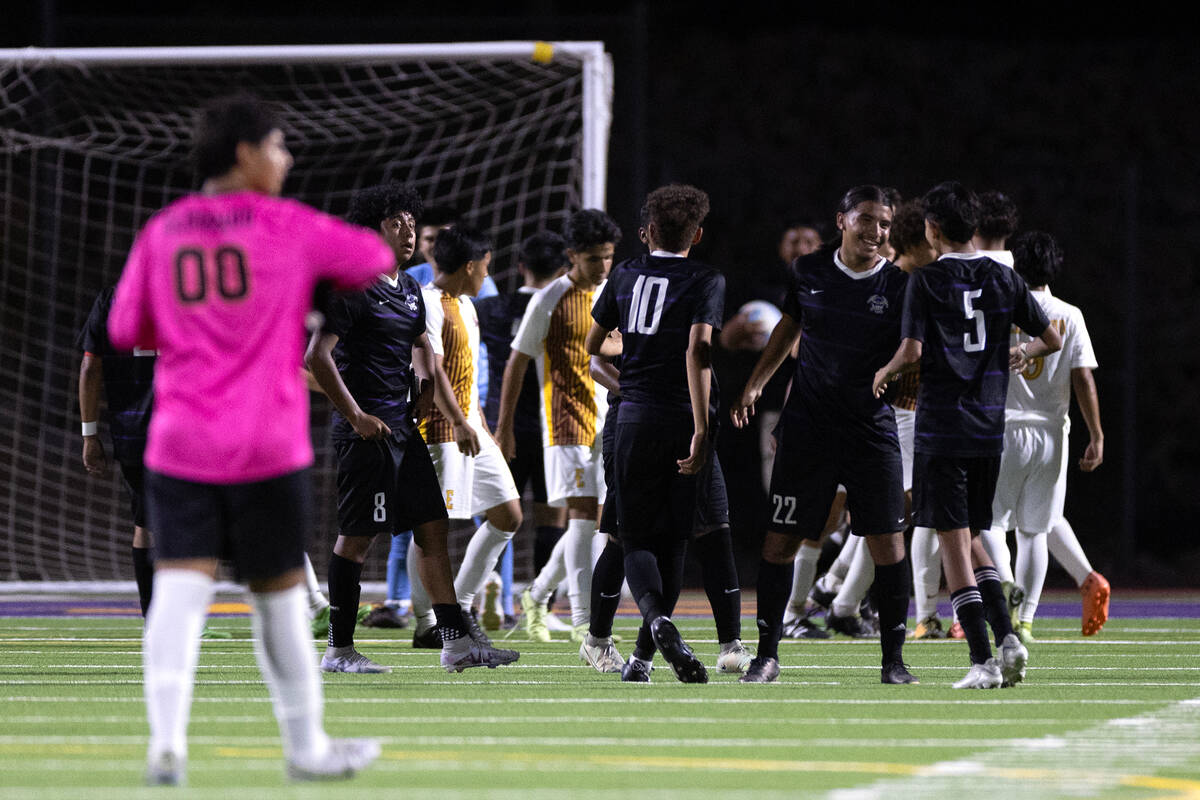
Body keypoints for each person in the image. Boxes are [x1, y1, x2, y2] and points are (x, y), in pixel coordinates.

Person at [108, 94, 390, 784]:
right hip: (266, 442)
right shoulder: (287, 225)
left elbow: (126, 330)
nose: (286, 158)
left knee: (178, 590)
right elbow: (375, 255)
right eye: (278, 145)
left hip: (180, 442)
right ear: (244, 154)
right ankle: (306, 748)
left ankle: (166, 743)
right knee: (279, 593)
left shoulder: (164, 230)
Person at [305, 182, 515, 674]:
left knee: (433, 528)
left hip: (404, 430)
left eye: (410, 224)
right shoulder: (352, 287)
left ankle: (455, 644)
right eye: (395, 223)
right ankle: (338, 650)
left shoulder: (408, 291)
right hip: (366, 435)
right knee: (357, 539)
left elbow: (423, 349)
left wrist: (424, 391)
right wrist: (356, 415)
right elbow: (316, 355)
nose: (406, 232)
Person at [873, 180, 1061, 689]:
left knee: (953, 543)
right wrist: (1025, 354)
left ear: (932, 229)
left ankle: (983, 659)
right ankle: (1007, 636)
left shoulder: (927, 281)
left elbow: (911, 352)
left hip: (942, 423)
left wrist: (884, 373)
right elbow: (1051, 337)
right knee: (973, 537)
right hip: (987, 426)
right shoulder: (1005, 279)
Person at [732, 185, 915, 686]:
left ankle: (893, 662)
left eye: (884, 223)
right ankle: (766, 655)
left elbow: (914, 349)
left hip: (871, 432)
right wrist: (754, 386)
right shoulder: (809, 271)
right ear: (842, 220)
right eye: (867, 220)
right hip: (808, 430)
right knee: (780, 543)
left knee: (888, 545)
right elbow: (788, 330)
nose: (876, 231)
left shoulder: (899, 285)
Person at [586, 184, 723, 684]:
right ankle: (647, 649)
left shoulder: (624, 272)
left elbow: (594, 347)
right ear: (698, 234)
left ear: (647, 233)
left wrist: (632, 380)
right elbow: (698, 351)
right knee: (675, 542)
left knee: (633, 536)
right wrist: (702, 425)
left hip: (633, 419)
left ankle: (654, 630)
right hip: (680, 416)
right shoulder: (705, 277)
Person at [497, 210, 621, 642]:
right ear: (571, 255)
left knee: (594, 522)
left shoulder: (611, 293)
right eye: (593, 259)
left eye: (608, 257)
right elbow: (517, 363)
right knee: (585, 518)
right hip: (565, 423)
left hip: (609, 422)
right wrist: (504, 426)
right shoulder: (549, 299)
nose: (603, 267)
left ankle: (537, 594)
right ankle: (587, 622)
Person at [406, 224, 524, 650]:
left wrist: (482, 426)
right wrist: (457, 421)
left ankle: (463, 606)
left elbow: (465, 375)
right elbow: (432, 370)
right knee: (430, 529)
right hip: (439, 429)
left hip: (470, 426)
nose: (486, 277)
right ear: (471, 265)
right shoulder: (429, 303)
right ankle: (426, 624)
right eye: (486, 268)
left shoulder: (466, 305)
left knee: (508, 514)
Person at [985, 231, 1105, 643]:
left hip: (1002, 427)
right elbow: (1083, 377)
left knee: (990, 523)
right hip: (1053, 431)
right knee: (1035, 530)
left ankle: (1003, 586)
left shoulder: (999, 308)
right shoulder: (1069, 314)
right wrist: (1097, 435)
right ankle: (1027, 621)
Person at [474, 231, 569, 629]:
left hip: (502, 425)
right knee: (553, 520)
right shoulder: (565, 308)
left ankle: (483, 588)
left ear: (520, 267)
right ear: (565, 269)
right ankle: (541, 612)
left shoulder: (491, 308)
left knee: (496, 519)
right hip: (553, 429)